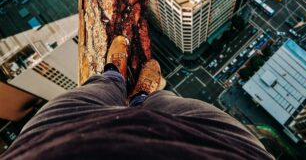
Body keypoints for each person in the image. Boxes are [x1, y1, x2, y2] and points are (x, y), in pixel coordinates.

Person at [1, 36, 274, 160]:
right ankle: (142, 98)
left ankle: (113, 76)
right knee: (172, 104)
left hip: (47, 147)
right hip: (226, 151)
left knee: (87, 95)